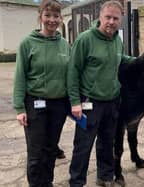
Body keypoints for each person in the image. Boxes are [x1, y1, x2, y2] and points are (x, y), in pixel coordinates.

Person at [67, 1, 135, 187]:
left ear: (120, 20)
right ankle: (76, 181)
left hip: (112, 102)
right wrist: (75, 102)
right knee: (83, 145)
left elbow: (121, 60)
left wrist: (142, 60)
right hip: (89, 103)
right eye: (108, 17)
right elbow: (73, 72)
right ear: (100, 17)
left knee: (107, 143)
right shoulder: (85, 39)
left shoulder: (117, 40)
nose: (111, 22)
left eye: (115, 18)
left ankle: (105, 177)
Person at [13, 0, 70, 186]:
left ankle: (48, 182)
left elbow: (70, 75)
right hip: (34, 104)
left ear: (61, 19)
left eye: (56, 16)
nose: (52, 20)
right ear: (40, 17)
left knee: (51, 149)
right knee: (36, 152)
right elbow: (20, 76)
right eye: (47, 15)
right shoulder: (27, 44)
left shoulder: (64, 45)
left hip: (58, 105)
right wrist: (19, 107)